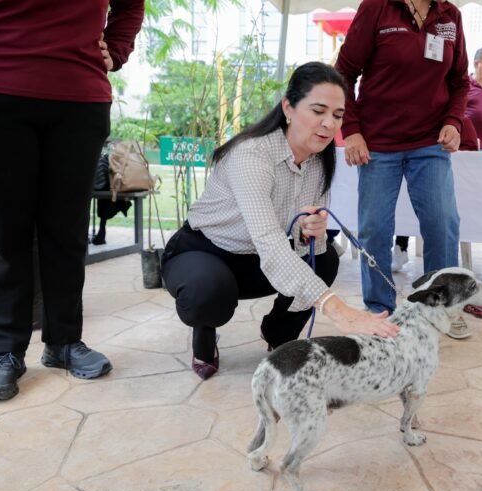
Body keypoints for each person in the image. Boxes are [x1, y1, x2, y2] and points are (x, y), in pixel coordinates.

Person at [0, 0, 144, 401]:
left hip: (79, 99)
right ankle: (6, 351)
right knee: (0, 233)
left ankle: (64, 342)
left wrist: (117, 47)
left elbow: (131, 4)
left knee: (67, 233)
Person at [160, 62, 399, 381]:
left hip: (258, 261)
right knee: (208, 292)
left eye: (338, 115)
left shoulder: (318, 162)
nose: (329, 124)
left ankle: (279, 335)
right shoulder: (252, 155)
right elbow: (271, 243)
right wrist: (340, 312)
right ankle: (205, 331)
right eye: (318, 110)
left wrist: (310, 233)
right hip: (205, 253)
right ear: (288, 107)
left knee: (324, 259)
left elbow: (302, 244)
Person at [335, 0, 473, 339]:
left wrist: (454, 121)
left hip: (431, 142)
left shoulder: (449, 15)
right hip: (378, 143)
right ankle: (379, 309)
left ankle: (443, 306)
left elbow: (459, 81)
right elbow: (343, 73)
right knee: (375, 228)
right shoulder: (377, 8)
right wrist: (351, 129)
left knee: (443, 223)